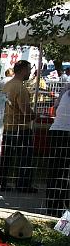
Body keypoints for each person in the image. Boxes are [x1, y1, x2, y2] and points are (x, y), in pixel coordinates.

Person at [0, 60, 37, 192]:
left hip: (8, 125)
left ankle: (2, 182)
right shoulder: (20, 88)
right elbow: (25, 110)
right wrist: (34, 115)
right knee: (24, 157)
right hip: (20, 127)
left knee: (6, 157)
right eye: (29, 69)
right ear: (23, 70)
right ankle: (23, 184)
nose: (30, 72)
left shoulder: (8, 85)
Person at [46, 85, 70, 216]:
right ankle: (61, 207)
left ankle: (52, 207)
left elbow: (55, 110)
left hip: (56, 131)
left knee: (55, 171)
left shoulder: (65, 90)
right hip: (65, 133)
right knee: (63, 173)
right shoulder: (65, 90)